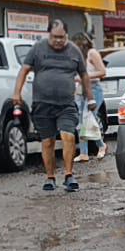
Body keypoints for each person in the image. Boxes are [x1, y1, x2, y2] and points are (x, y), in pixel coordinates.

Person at [13, 20, 96, 192]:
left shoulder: (74, 50)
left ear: (66, 35)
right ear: (48, 35)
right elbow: (24, 70)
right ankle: (50, 177)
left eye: (62, 37)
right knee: (48, 141)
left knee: (68, 136)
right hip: (42, 104)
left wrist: (91, 98)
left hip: (66, 104)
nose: (58, 40)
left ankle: (68, 175)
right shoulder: (38, 49)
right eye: (54, 37)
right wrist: (17, 93)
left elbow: (84, 75)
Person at [72, 32, 108, 162]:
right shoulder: (77, 56)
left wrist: (85, 76)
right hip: (80, 90)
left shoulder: (92, 53)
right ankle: (83, 153)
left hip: (94, 89)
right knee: (81, 122)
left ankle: (101, 146)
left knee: (89, 118)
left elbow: (103, 72)